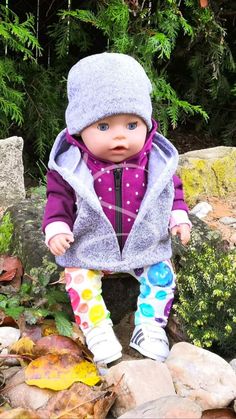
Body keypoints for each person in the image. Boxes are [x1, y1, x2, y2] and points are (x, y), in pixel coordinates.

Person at [42, 52, 191, 365]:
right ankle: (96, 327)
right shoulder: (71, 166)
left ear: (147, 124)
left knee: (162, 274)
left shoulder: (156, 161)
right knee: (78, 277)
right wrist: (56, 226)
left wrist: (178, 217)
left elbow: (172, 190)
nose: (120, 136)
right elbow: (58, 200)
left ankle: (150, 325)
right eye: (105, 125)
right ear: (80, 128)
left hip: (143, 245)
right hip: (91, 248)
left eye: (132, 124)